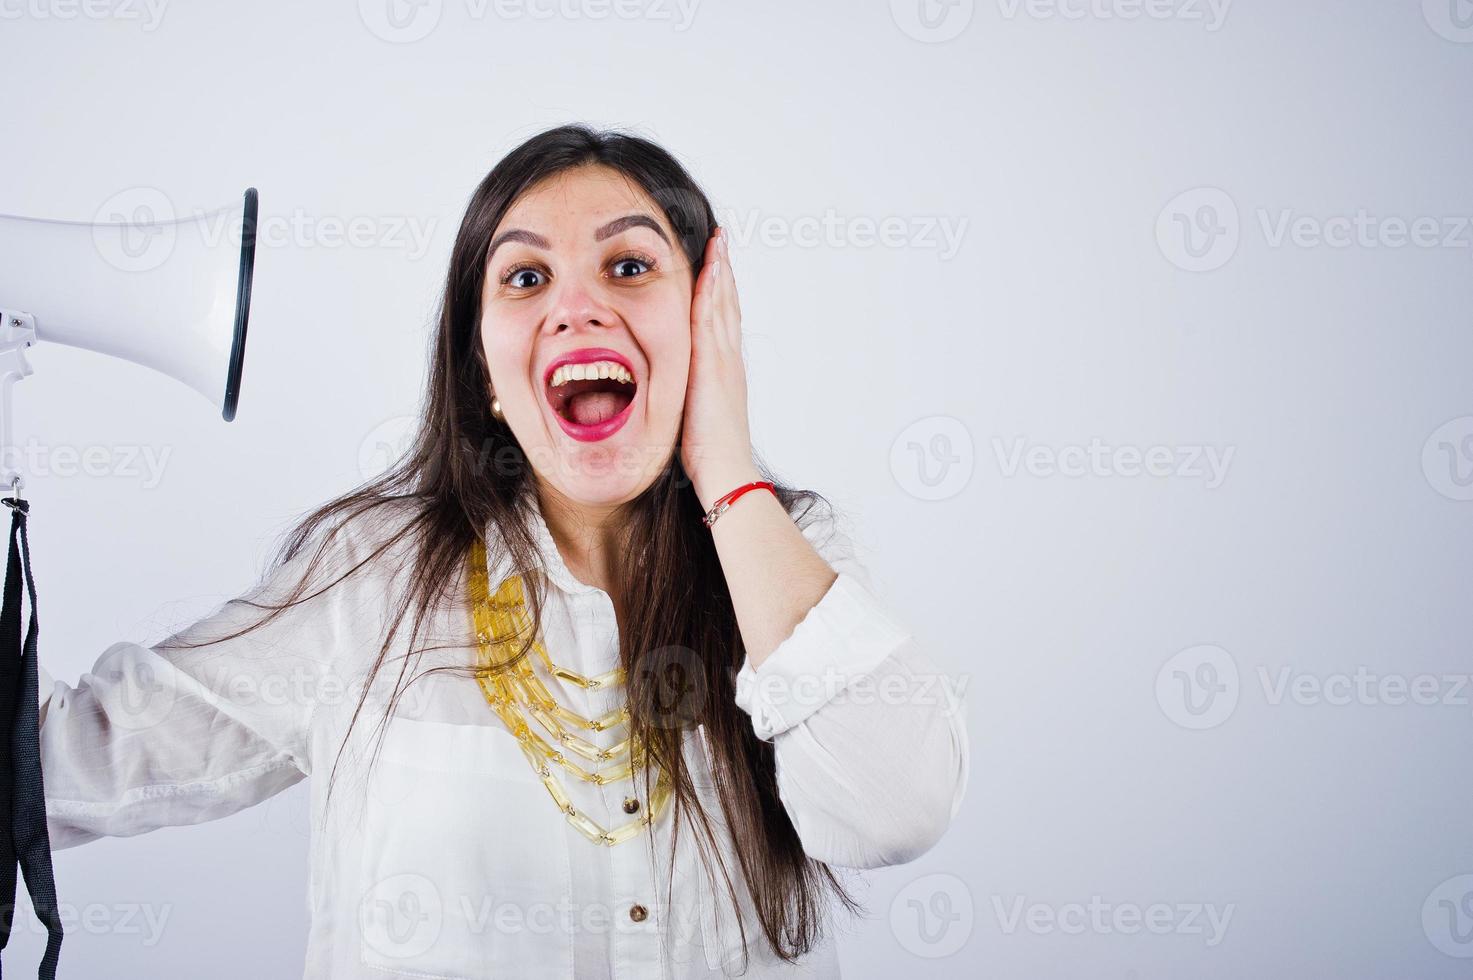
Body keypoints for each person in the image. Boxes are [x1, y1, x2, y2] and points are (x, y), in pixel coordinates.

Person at [36, 124, 969, 978]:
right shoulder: (371, 580)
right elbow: (59, 770)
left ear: (704, 325)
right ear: (485, 370)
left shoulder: (791, 554)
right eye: (525, 279)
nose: (576, 309)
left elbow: (893, 812)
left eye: (631, 267)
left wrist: (724, 461)